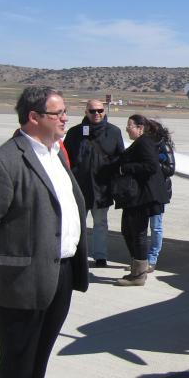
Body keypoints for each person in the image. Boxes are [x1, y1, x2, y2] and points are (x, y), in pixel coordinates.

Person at [0, 86, 88, 378]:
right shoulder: (4, 162)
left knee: (38, 360)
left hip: (61, 274)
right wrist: (10, 262)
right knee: (18, 365)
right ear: (34, 117)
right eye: (58, 113)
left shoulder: (56, 154)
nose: (66, 118)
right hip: (23, 278)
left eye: (64, 111)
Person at [108, 114, 170, 286]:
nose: (127, 128)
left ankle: (139, 275)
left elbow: (151, 166)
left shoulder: (144, 142)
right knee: (129, 231)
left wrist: (124, 168)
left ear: (140, 128)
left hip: (144, 197)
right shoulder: (143, 142)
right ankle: (137, 269)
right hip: (137, 197)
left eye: (130, 126)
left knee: (138, 233)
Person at [63, 99, 124, 268]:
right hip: (79, 187)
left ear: (104, 111)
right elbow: (66, 158)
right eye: (92, 111)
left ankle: (100, 256)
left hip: (102, 187)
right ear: (86, 112)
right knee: (77, 224)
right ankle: (76, 255)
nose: (96, 114)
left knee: (100, 223)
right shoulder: (75, 133)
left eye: (100, 111)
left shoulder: (113, 132)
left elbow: (120, 157)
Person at [147, 133, 175, 273]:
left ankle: (152, 259)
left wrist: (154, 163)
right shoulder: (141, 145)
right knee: (139, 227)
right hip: (143, 192)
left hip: (158, 192)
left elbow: (170, 169)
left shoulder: (164, 147)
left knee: (156, 226)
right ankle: (139, 259)